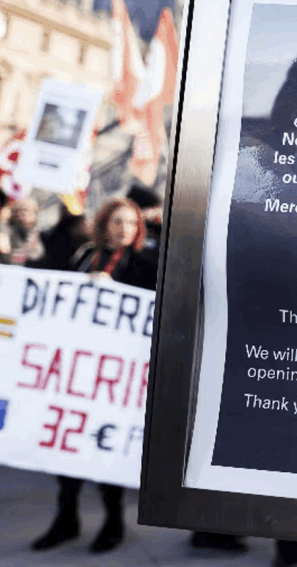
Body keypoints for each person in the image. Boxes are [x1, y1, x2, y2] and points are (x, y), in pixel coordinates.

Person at [30, 197, 158, 554]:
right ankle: (66, 518)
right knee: (65, 448)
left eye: (132, 224)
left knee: (106, 448)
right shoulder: (85, 256)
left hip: (113, 375)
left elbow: (150, 306)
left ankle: (113, 521)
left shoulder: (145, 264)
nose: (125, 229)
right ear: (104, 224)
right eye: (118, 222)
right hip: (77, 370)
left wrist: (112, 288)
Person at [0, 195, 44, 265]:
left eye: (31, 211)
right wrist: (2, 220)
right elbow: (6, 252)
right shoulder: (9, 228)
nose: (25, 214)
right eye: (22, 210)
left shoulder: (33, 231)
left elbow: (37, 253)